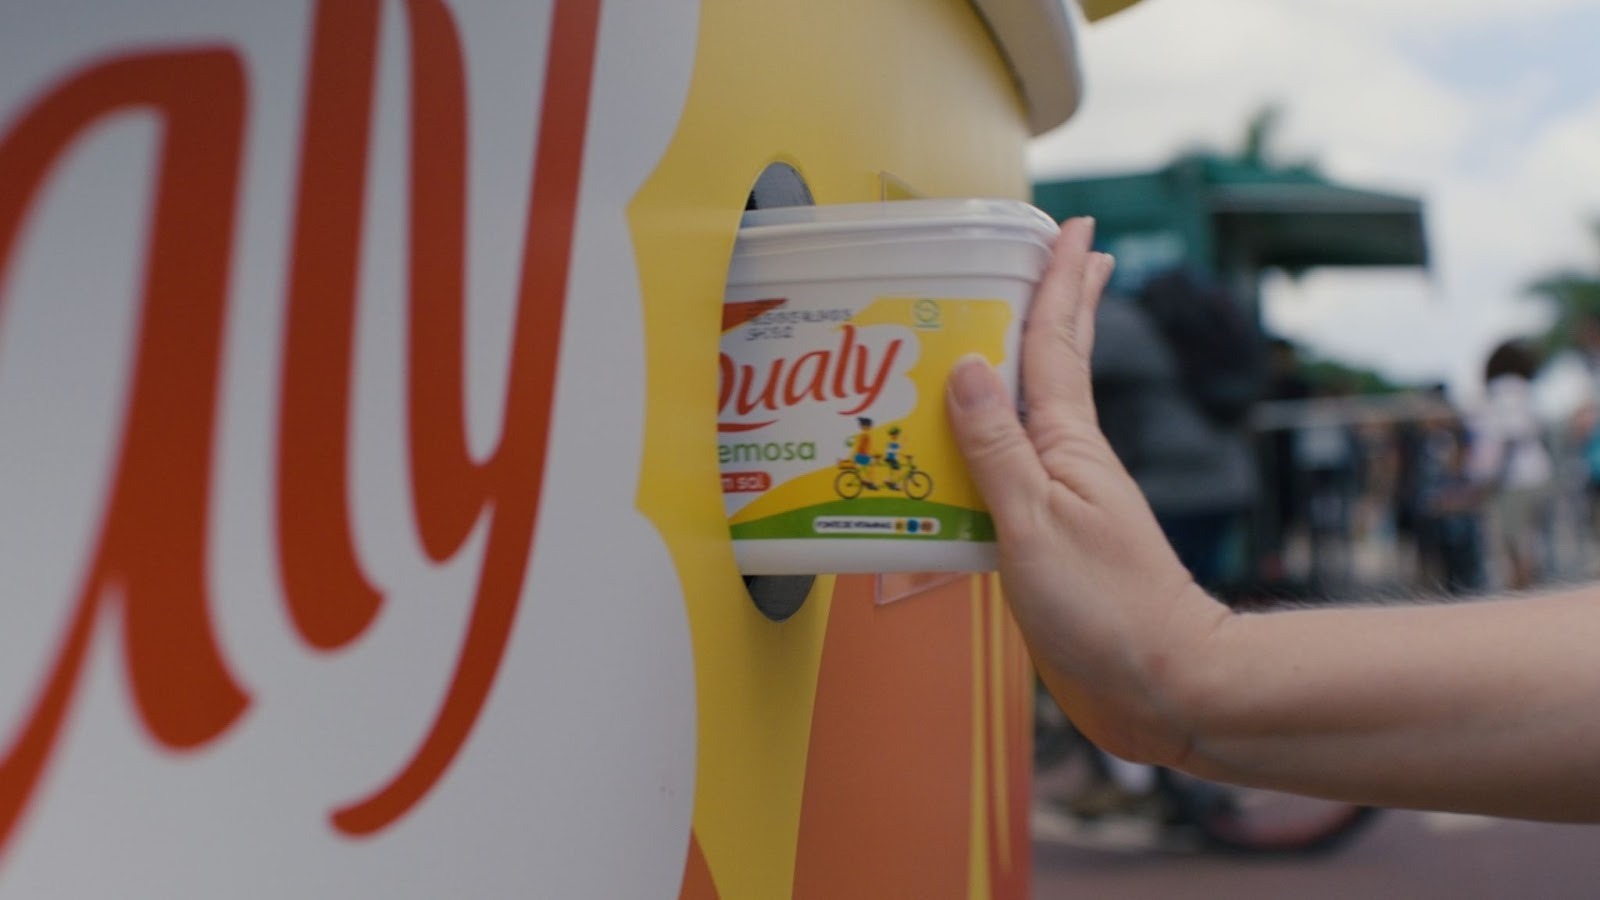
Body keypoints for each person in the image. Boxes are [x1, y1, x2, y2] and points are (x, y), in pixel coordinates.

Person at [945, 217, 1600, 822]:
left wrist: (1174, 679)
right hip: (1224, 483)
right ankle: (1160, 779)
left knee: (1109, 615)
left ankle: (1139, 784)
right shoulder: (1178, 333)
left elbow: (1011, 363)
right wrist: (1186, 675)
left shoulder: (1117, 325)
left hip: (1168, 485)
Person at [1469, 339, 1554, 590]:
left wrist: (1489, 477)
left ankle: (1521, 598)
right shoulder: (1525, 390)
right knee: (1529, 542)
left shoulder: (1502, 391)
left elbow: (1504, 437)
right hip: (1535, 474)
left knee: (1513, 545)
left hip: (1513, 479)